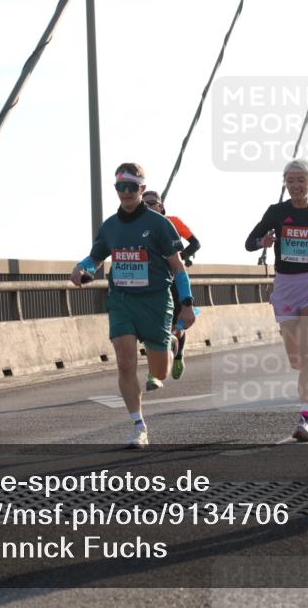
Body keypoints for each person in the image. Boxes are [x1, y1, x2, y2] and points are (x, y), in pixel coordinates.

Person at [70, 163, 196, 448]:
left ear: (141, 189)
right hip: (122, 300)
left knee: (160, 371)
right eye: (120, 187)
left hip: (155, 300)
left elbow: (178, 268)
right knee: (125, 361)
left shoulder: (159, 224)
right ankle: (138, 425)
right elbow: (96, 258)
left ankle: (171, 345)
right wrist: (81, 267)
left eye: (131, 187)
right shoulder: (110, 226)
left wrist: (186, 304)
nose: (125, 192)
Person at [245, 159, 308, 443]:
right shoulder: (277, 212)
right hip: (286, 286)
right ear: (285, 184)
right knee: (295, 356)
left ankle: (304, 418)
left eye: (301, 180)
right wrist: (262, 242)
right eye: (291, 181)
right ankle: (300, 373)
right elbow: (249, 242)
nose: (296, 185)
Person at [141, 190, 201, 383]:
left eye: (152, 203)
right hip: (151, 283)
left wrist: (180, 258)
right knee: (153, 326)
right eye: (145, 204)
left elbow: (195, 243)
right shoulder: (138, 227)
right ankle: (154, 371)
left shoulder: (173, 221)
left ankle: (178, 355)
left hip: (175, 277)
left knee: (176, 323)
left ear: (161, 206)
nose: (149, 206)